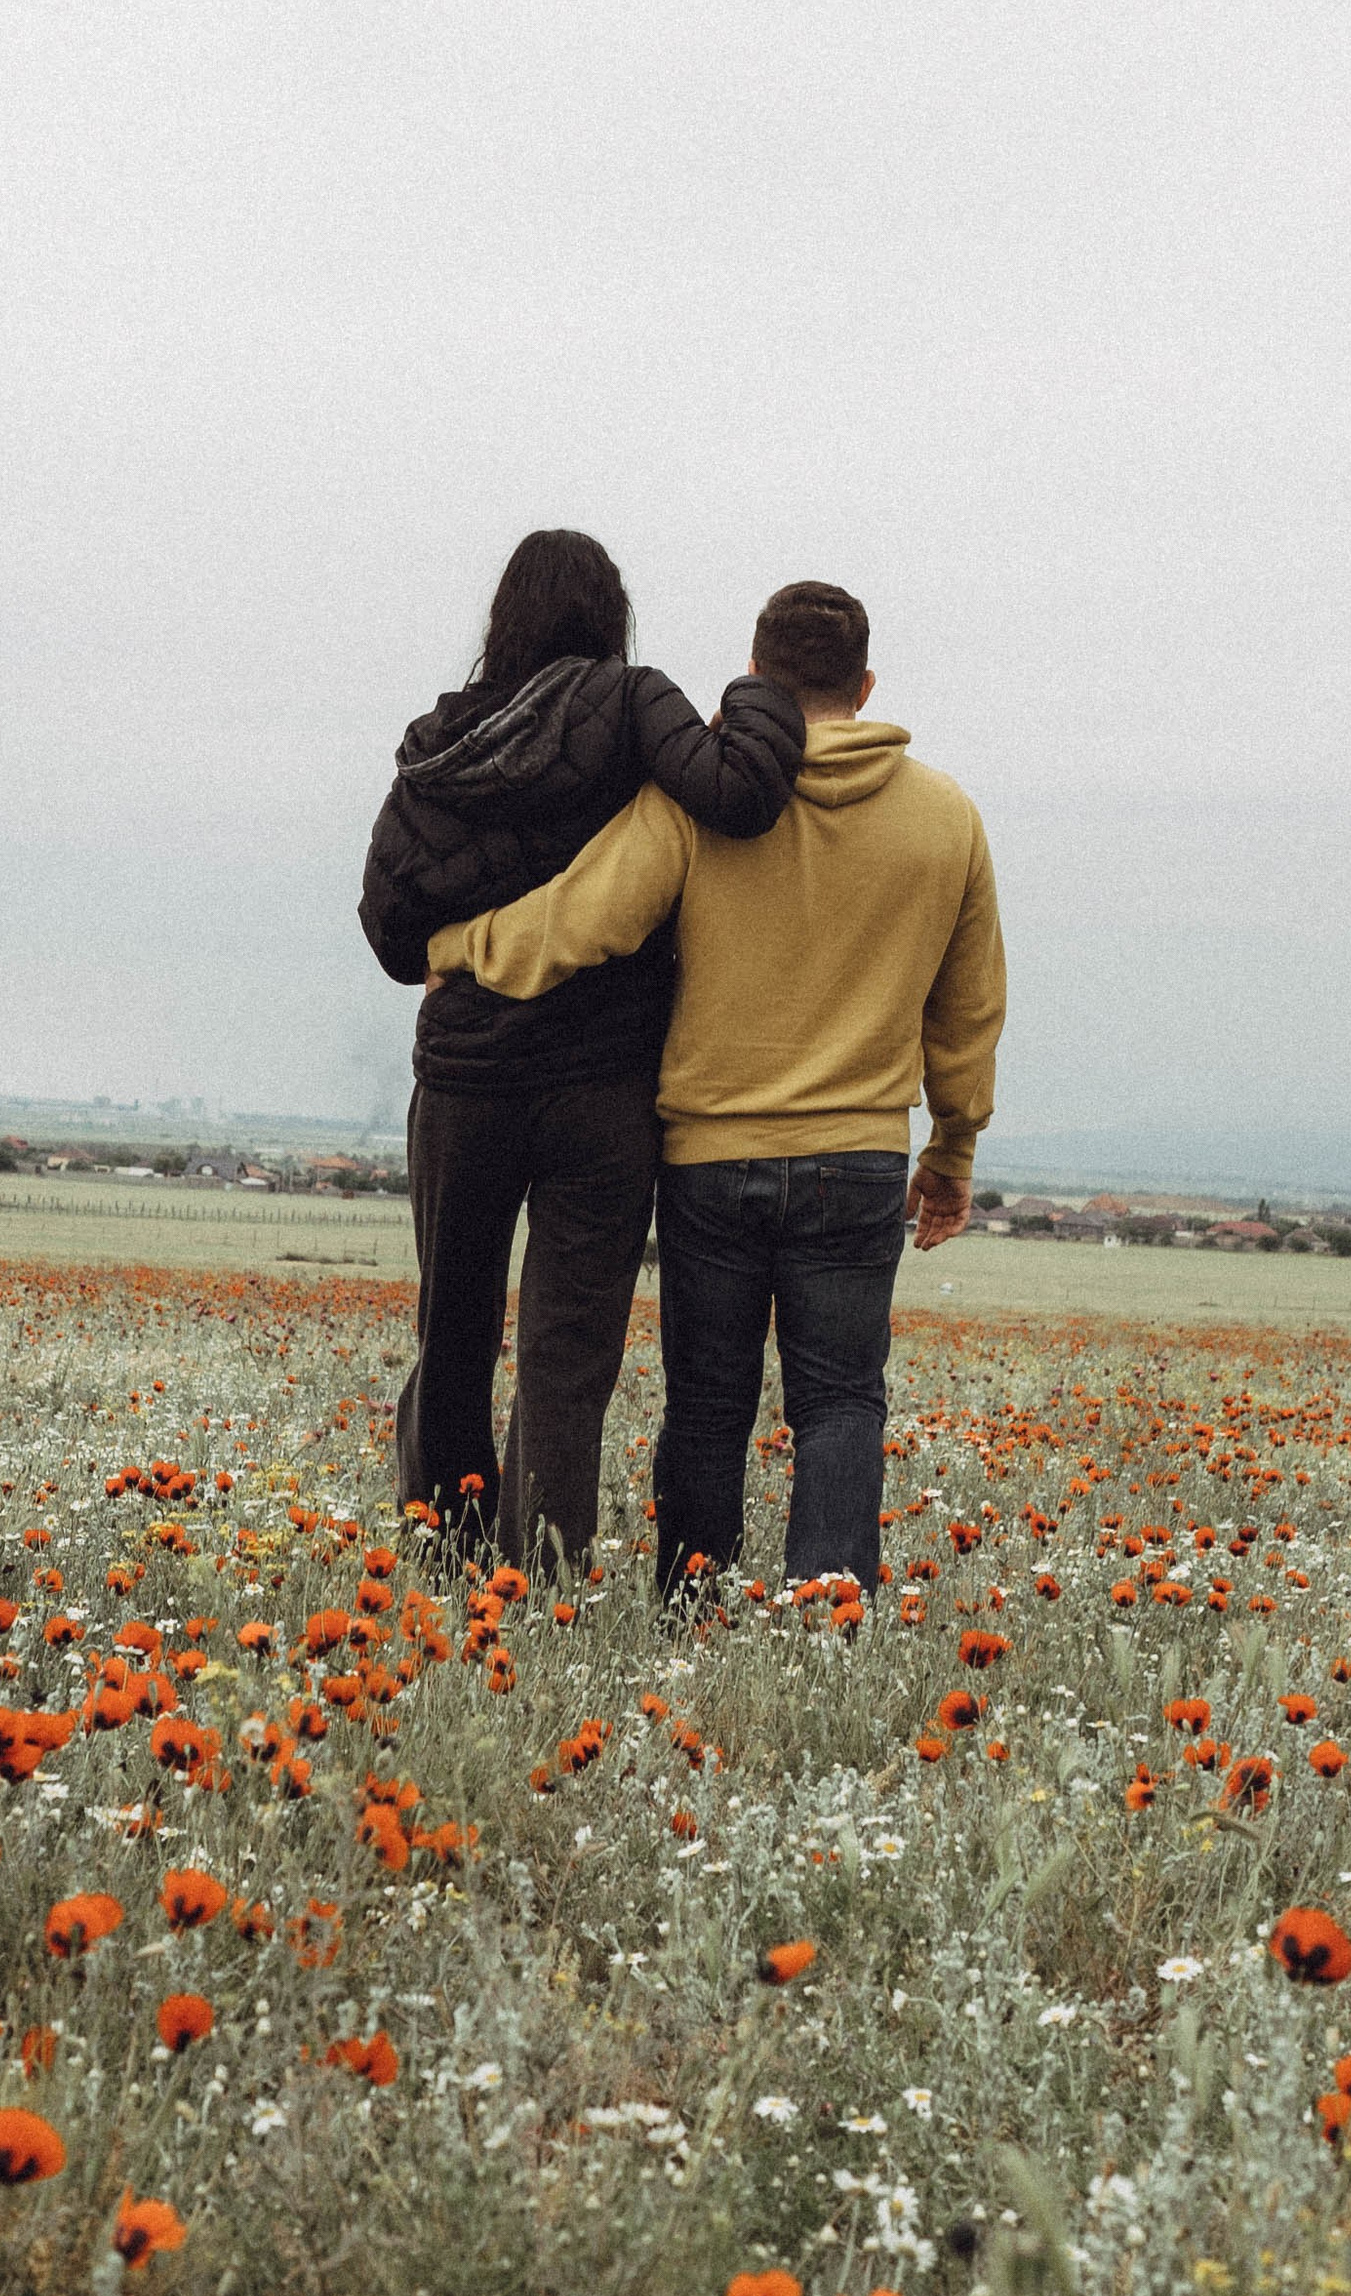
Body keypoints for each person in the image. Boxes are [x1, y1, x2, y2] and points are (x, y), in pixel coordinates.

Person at [423, 578, 1003, 1600]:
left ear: (751, 674)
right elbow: (966, 1016)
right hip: (860, 1158)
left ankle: (691, 1611)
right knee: (838, 1403)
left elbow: (582, 919)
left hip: (708, 1156)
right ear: (865, 685)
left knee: (705, 1403)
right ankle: (826, 1619)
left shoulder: (700, 803)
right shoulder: (946, 820)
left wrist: (460, 947)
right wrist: (950, 1155)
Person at [360, 528, 804, 1570]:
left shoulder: (439, 743)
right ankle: (544, 1574)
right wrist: (756, 693)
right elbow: (739, 792)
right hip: (602, 1090)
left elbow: (389, 931)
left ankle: (443, 1559)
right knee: (567, 1353)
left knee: (452, 1332)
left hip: (464, 1083)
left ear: (502, 618)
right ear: (609, 615)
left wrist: (460, 936)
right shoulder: (633, 701)